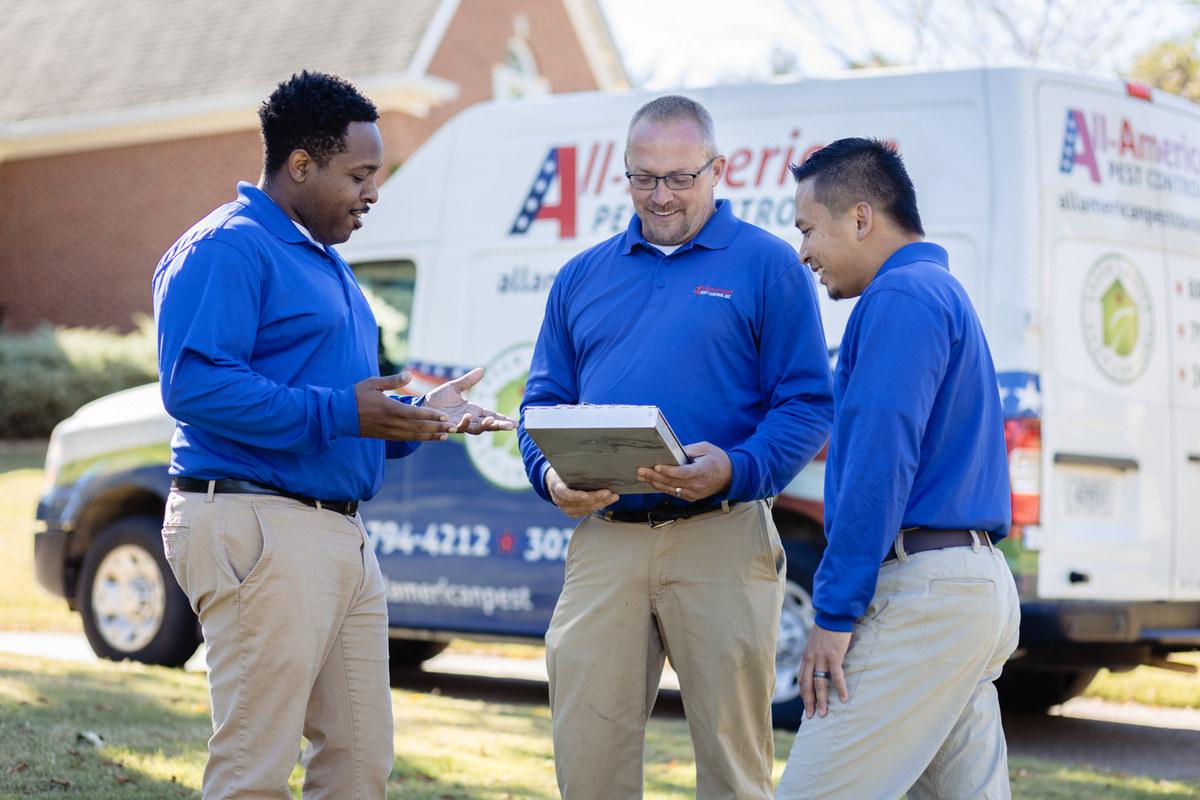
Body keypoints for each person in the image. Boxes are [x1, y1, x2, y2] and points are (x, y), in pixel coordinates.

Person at [152, 71, 512, 800]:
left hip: (338, 536)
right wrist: (343, 413)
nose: (372, 192)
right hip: (258, 521)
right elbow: (194, 385)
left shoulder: (327, 266)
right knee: (255, 766)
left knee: (358, 762)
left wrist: (419, 417)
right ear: (301, 165)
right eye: (359, 174)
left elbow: (347, 410)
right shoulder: (231, 246)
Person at [517, 95, 834, 800]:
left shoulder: (768, 266)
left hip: (722, 534)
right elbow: (540, 404)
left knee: (733, 762)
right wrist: (550, 477)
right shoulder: (581, 277)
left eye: (679, 178)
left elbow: (809, 403)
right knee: (587, 754)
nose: (660, 196)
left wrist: (737, 468)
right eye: (642, 178)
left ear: (718, 171)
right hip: (605, 542)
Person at [776, 138, 1021, 800]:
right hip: (968, 588)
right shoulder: (939, 292)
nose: (803, 253)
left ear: (860, 217)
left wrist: (832, 613)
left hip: (926, 596)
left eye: (807, 229)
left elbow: (879, 465)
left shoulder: (901, 298)